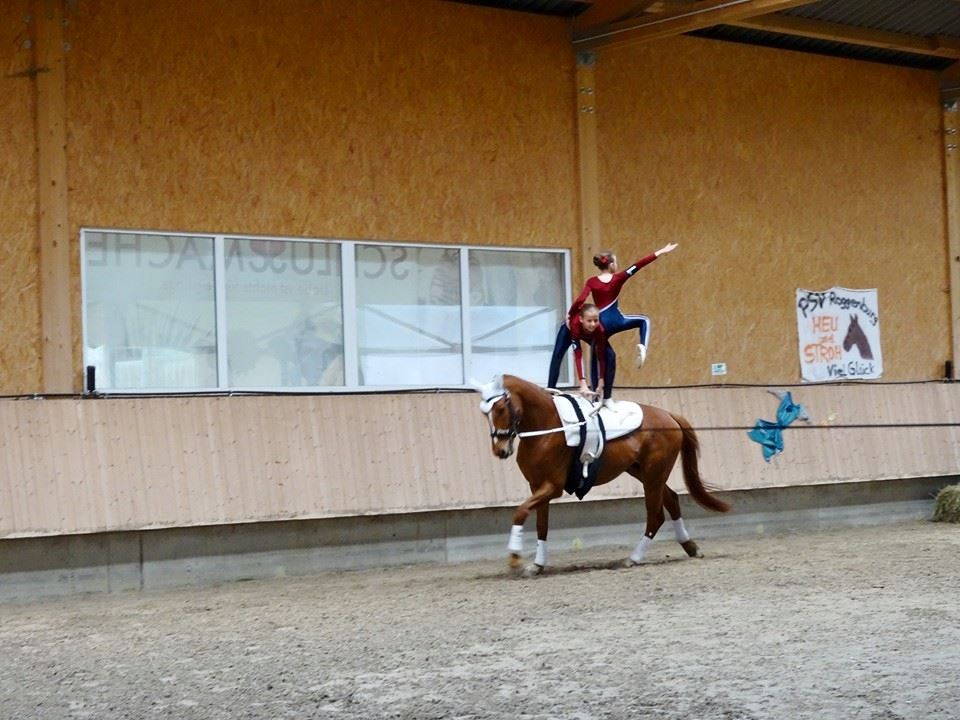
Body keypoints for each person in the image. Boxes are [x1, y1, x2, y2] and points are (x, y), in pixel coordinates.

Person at [547, 242, 678, 390]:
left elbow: (581, 299)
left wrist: (570, 315)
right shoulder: (619, 278)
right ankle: (642, 346)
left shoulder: (592, 282)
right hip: (613, 321)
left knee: (574, 354)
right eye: (616, 262)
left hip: (598, 323)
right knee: (643, 321)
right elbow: (638, 265)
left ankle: (553, 388)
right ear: (611, 265)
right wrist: (660, 252)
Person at [565, 302, 614, 405]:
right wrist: (582, 382)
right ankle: (551, 388)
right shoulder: (575, 325)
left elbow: (601, 357)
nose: (593, 324)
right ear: (581, 319)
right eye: (589, 321)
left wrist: (601, 380)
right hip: (572, 328)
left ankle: (600, 397)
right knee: (559, 351)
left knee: (608, 355)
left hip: (592, 335)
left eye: (596, 320)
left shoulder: (600, 330)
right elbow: (578, 355)